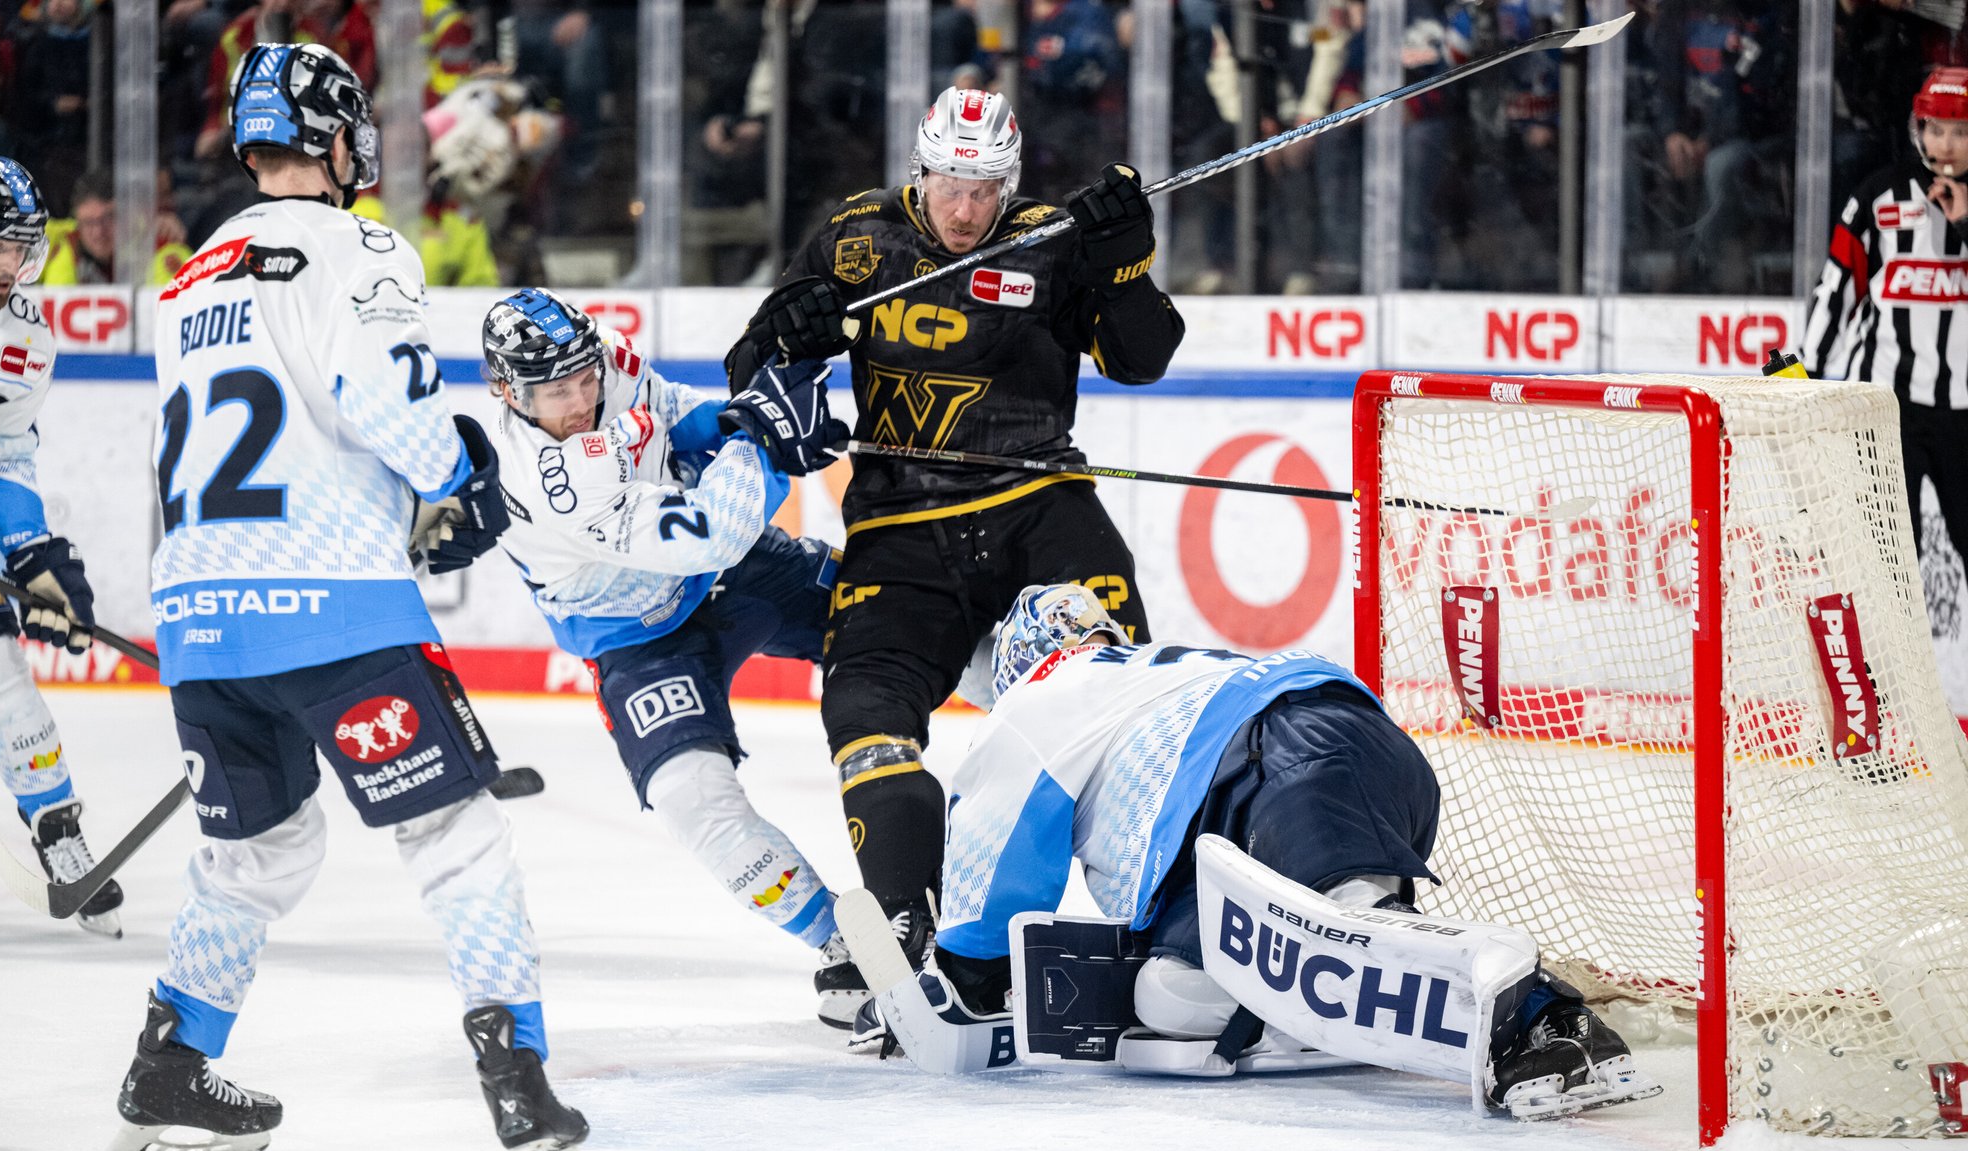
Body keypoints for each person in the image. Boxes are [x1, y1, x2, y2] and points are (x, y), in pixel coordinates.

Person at [112, 44, 584, 1151]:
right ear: (334, 138)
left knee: (258, 852)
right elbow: (383, 396)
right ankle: (515, 1075)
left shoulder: (189, 271)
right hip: (333, 605)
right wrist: (458, 476)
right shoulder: (359, 244)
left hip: (197, 612)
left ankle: (168, 1061)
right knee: (455, 835)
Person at [853, 584, 1658, 1121]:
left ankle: (1548, 1019)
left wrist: (952, 987)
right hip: (1335, 755)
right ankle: (1321, 999)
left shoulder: (1040, 697)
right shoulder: (1146, 671)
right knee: (1169, 1001)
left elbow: (994, 873)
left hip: (1277, 760)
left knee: (1350, 925)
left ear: (1025, 659)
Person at [722, 85, 1186, 973]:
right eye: (949, 184)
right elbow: (751, 366)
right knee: (861, 703)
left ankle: (1169, 921)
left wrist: (1125, 263)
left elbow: (1142, 357)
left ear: (1009, 182)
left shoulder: (1051, 238)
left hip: (1037, 504)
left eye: (985, 187)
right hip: (899, 524)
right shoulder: (853, 237)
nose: (966, 208)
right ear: (919, 170)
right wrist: (789, 333)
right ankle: (906, 924)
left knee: (1125, 697)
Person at [479, 286, 869, 1026]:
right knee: (692, 800)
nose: (582, 397)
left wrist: (742, 418)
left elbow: (680, 415)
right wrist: (763, 444)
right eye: (557, 391)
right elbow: (710, 531)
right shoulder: (547, 482)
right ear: (507, 390)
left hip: (736, 575)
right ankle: (842, 940)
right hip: (639, 638)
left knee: (897, 618)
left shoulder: (603, 362)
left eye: (586, 376)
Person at [0, 154, 122, 937]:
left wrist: (37, 558)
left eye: (25, 245)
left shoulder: (25, 342)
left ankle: (59, 832)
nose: (16, 264)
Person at [1804, 65, 1968, 575]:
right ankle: (1888, 658)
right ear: (1917, 128)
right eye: (1936, 129)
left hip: (1964, 408)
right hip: (1883, 405)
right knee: (1890, 559)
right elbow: (1836, 287)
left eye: (1961, 132)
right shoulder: (1878, 196)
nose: (1946, 144)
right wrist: (1802, 372)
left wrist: (1964, 225)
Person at [38, 169, 194, 287]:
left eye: (109, 218)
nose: (98, 232)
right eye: (88, 222)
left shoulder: (160, 245)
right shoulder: (64, 241)